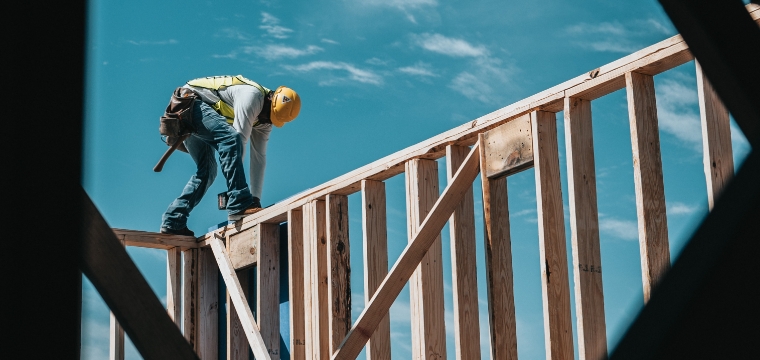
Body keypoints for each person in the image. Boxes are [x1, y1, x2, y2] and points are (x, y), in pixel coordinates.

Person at [160, 75, 301, 236]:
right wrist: (239, 198)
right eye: (268, 115)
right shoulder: (252, 96)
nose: (266, 121)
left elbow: (259, 158)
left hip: (197, 114)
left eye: (271, 119)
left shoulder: (265, 120)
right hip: (188, 104)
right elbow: (238, 141)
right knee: (231, 138)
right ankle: (239, 202)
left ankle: (173, 220)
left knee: (207, 172)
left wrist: (255, 199)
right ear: (270, 99)